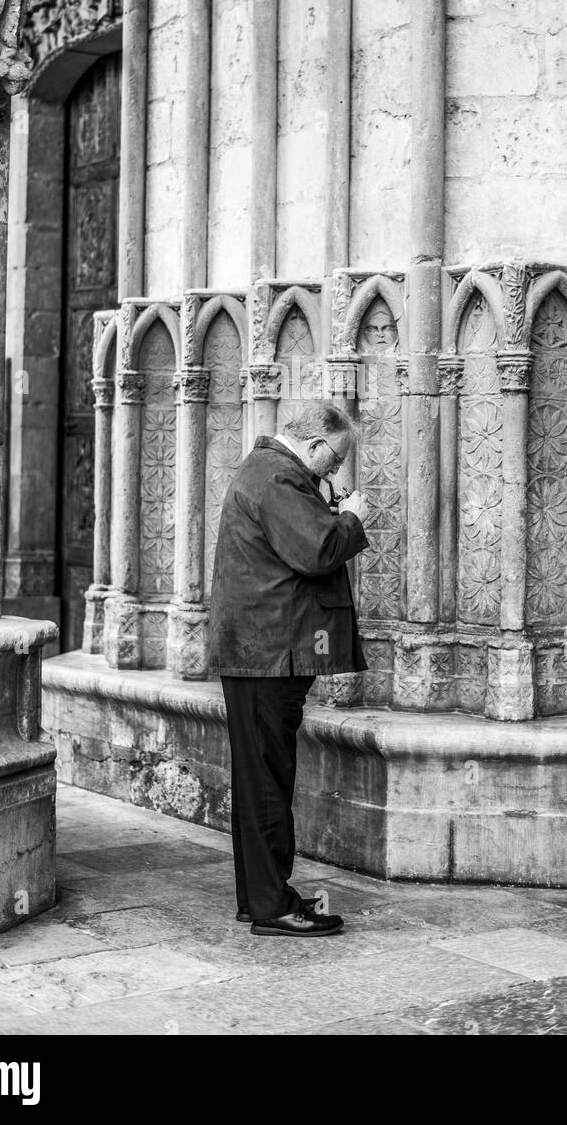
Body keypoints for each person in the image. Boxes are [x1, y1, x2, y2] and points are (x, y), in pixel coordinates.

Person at [208, 400, 371, 937]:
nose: (336, 470)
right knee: (269, 783)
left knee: (261, 781)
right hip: (266, 657)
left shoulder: (269, 471)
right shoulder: (279, 477)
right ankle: (272, 906)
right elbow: (319, 550)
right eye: (337, 458)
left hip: (261, 654)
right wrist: (352, 517)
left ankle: (260, 897)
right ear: (319, 444)